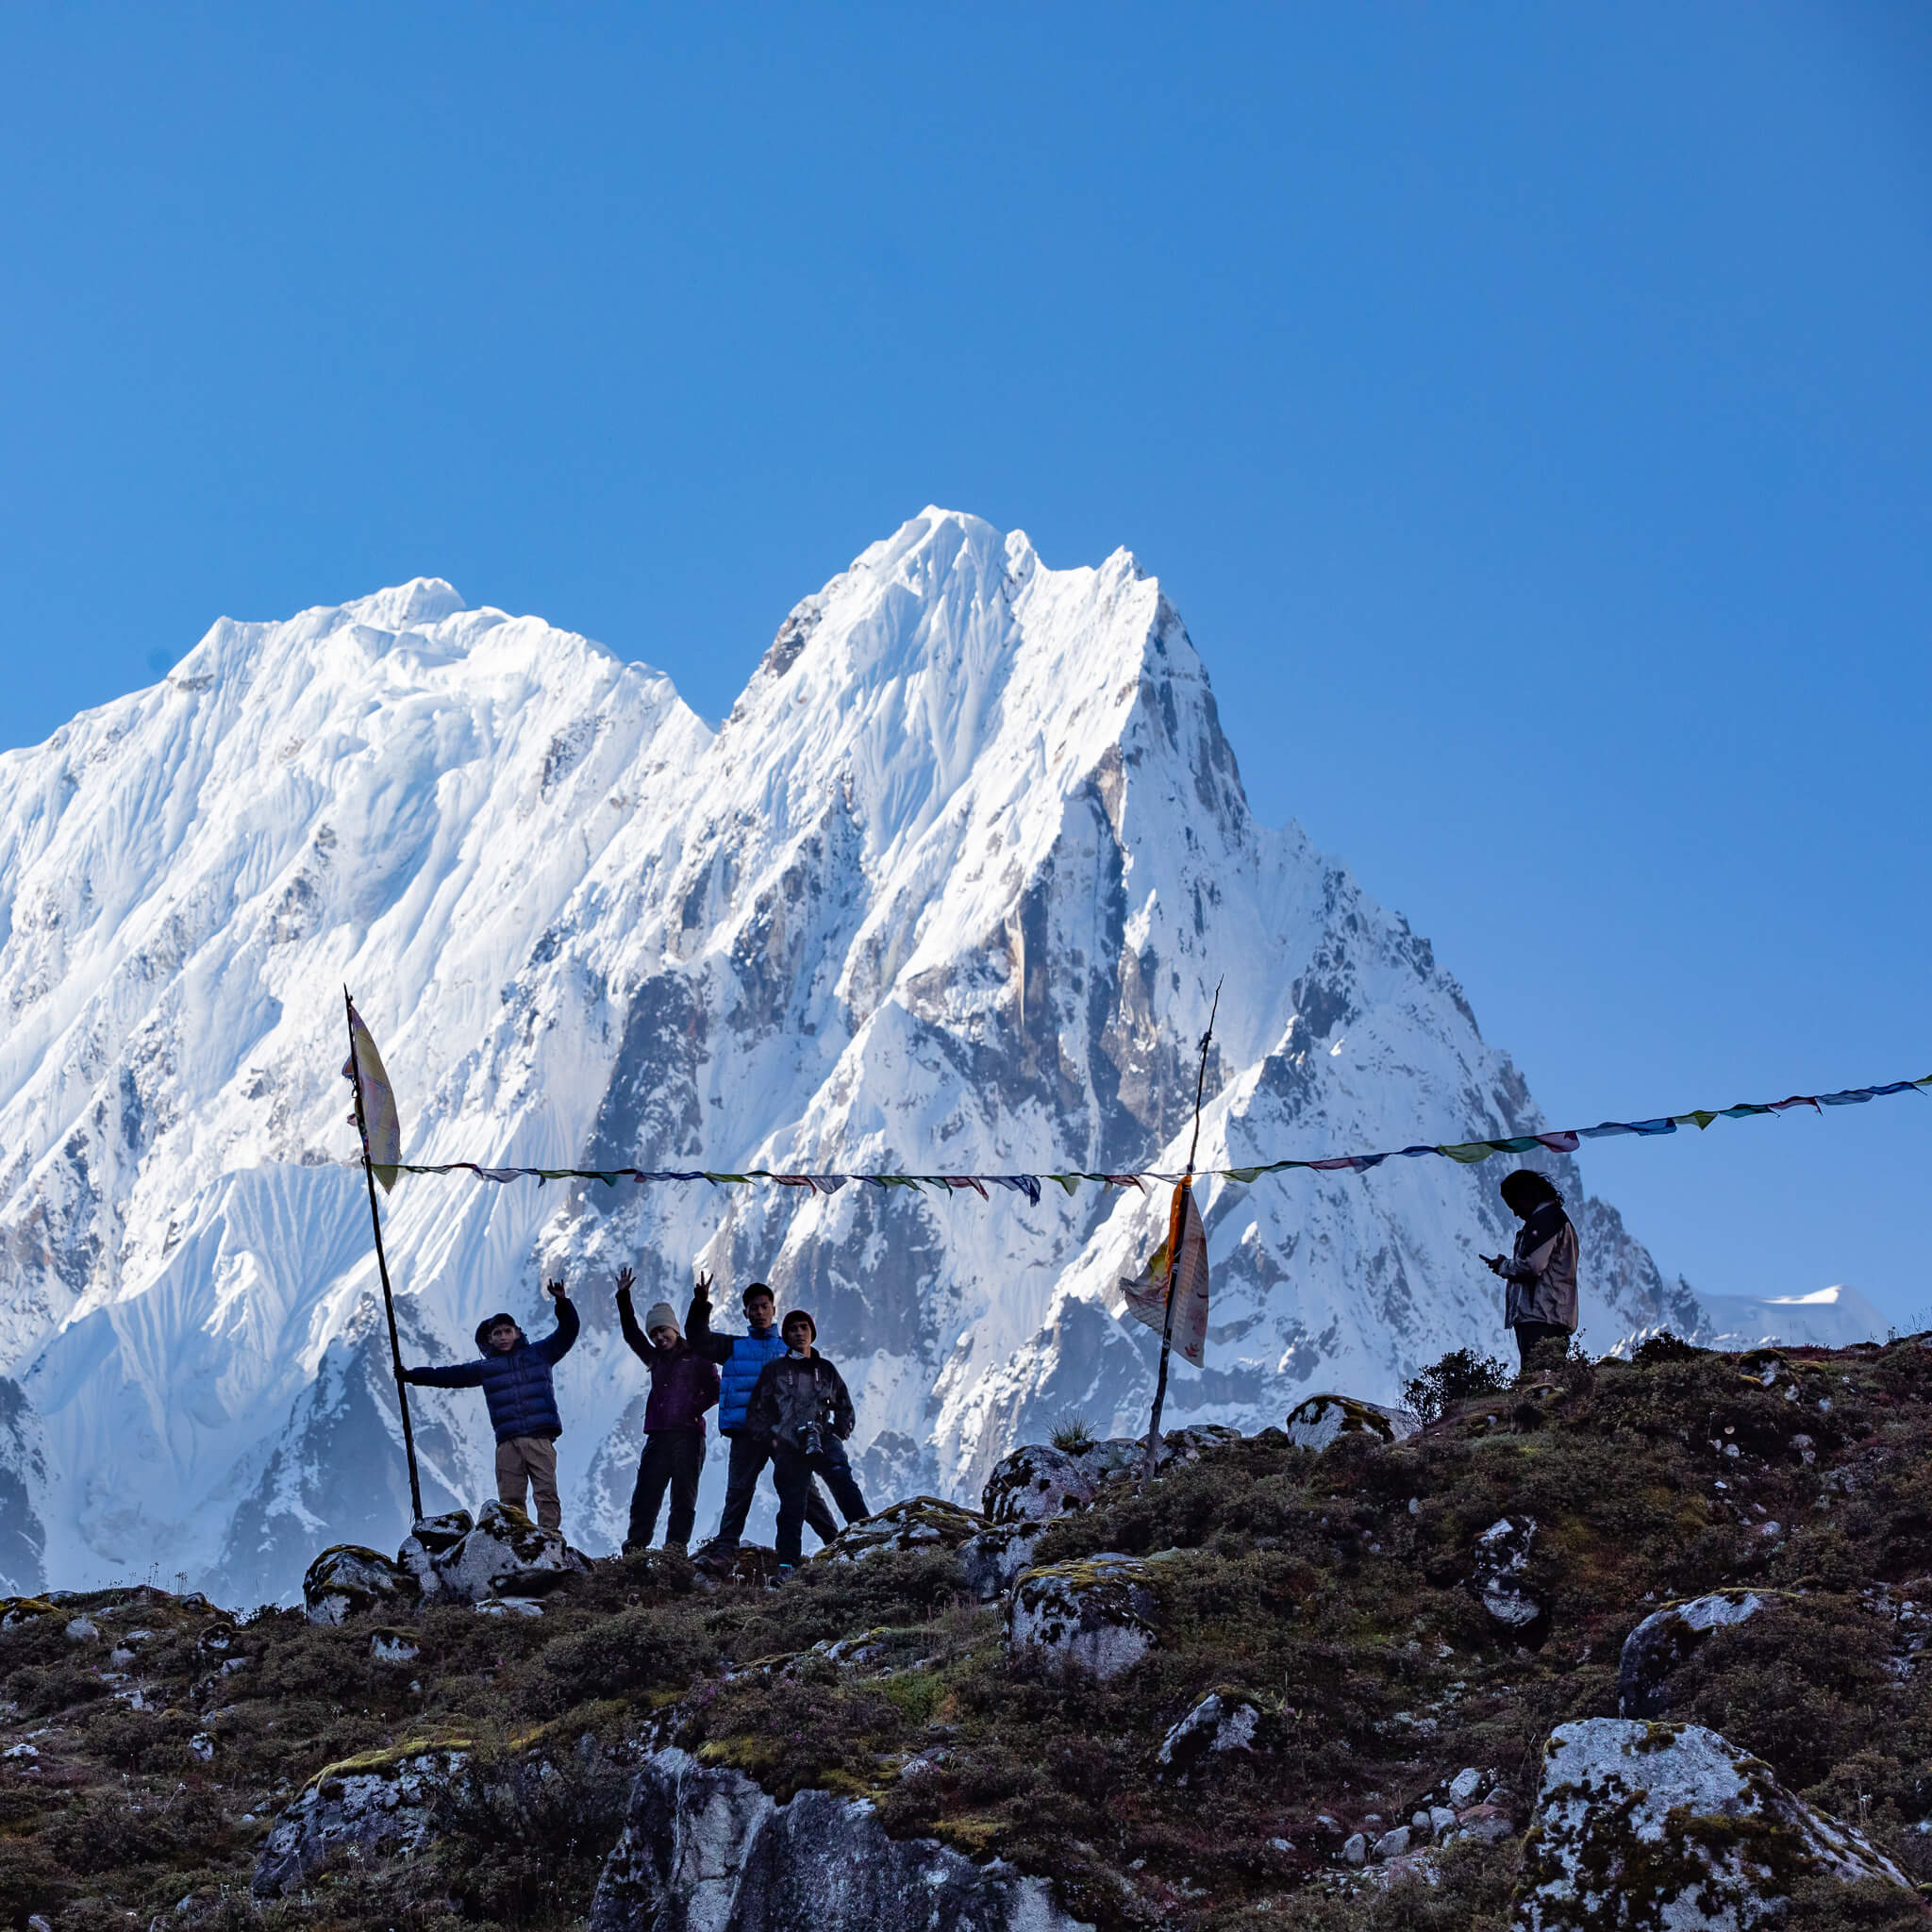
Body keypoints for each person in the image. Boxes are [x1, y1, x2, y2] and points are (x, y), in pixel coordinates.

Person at [687, 1275, 840, 1571]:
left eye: (763, 1307)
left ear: (773, 1310)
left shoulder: (788, 1348)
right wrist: (701, 1304)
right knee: (738, 1492)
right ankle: (724, 1553)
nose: (758, 1312)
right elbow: (698, 1339)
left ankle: (836, 1544)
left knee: (804, 1490)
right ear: (745, 1312)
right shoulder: (734, 1347)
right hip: (747, 1431)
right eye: (753, 1308)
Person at [402, 1282, 580, 1532]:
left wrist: (562, 1302)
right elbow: (448, 1376)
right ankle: (518, 1540)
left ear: (518, 1333)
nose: (503, 1337)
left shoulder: (540, 1353)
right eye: (497, 1333)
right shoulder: (485, 1369)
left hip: (539, 1436)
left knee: (546, 1492)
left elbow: (568, 1331)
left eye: (507, 1331)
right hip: (508, 1442)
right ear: (489, 1339)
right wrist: (413, 1376)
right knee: (510, 1497)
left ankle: (549, 1537)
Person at [742, 1308, 871, 1572]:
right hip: (789, 1445)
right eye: (793, 1329)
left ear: (812, 1332)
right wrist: (773, 1440)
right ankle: (787, 1565)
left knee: (845, 1488)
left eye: (804, 1327)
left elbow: (844, 1405)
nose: (799, 1333)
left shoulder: (826, 1370)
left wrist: (838, 1432)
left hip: (823, 1439)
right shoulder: (775, 1371)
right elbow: (756, 1412)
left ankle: (870, 1543)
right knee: (792, 1506)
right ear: (786, 1336)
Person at [614, 1264, 720, 1555]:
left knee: (683, 1499)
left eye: (663, 1331)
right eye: (654, 1335)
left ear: (674, 1328)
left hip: (689, 1436)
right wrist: (623, 1298)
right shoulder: (654, 1358)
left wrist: (692, 1410)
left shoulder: (698, 1355)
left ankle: (674, 1553)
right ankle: (635, 1551)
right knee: (645, 1494)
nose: (659, 1339)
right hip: (658, 1436)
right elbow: (631, 1334)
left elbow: (715, 1389)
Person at [1483, 1170, 1579, 1374]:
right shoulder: (1555, 1219)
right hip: (1552, 1313)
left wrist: (1504, 1267)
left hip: (1542, 1314)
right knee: (1547, 1377)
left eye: (1515, 1205)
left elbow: (1532, 1266)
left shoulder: (1546, 1220)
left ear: (1527, 1196)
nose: (1516, 1213)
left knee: (1538, 1378)